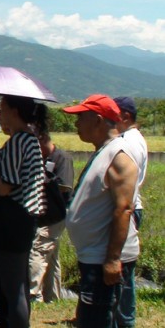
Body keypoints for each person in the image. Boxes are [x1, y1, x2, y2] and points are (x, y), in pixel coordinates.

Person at [63, 94, 139, 328]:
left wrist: (113, 259)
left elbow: (124, 209)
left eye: (81, 118)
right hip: (93, 255)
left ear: (97, 120)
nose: (76, 124)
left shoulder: (119, 156)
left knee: (97, 320)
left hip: (102, 258)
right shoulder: (104, 151)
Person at [0, 95, 46, 328]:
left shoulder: (19, 141)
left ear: (14, 111)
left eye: (2, 108)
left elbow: (4, 187)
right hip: (19, 220)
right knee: (13, 283)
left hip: (12, 219)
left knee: (11, 287)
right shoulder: (27, 140)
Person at [29, 127, 74, 303]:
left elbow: (65, 186)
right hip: (44, 213)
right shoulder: (40, 158)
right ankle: (52, 296)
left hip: (57, 212)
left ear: (42, 139)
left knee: (38, 247)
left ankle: (32, 294)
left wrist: (42, 182)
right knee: (51, 254)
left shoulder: (62, 158)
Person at [113, 96, 147, 327]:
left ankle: (125, 321)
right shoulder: (132, 138)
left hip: (129, 208)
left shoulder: (129, 141)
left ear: (125, 116)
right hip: (132, 206)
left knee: (122, 270)